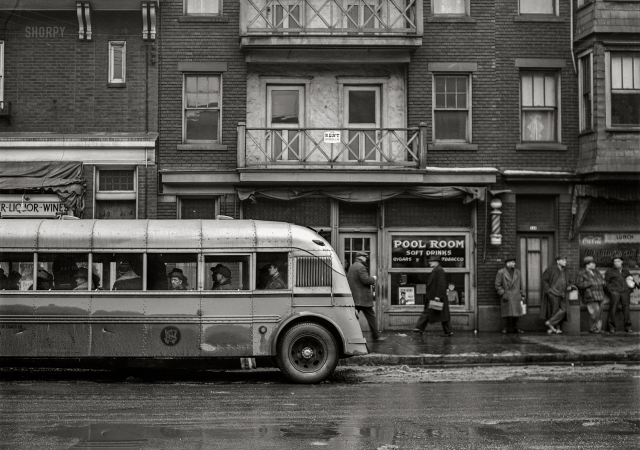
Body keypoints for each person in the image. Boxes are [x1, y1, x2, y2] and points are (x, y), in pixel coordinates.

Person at [347, 251, 386, 342]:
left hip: (356, 298)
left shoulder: (353, 267)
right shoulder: (361, 267)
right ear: (360, 257)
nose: (366, 258)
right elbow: (366, 280)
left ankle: (348, 335)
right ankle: (376, 336)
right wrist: (373, 279)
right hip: (363, 298)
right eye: (365, 257)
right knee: (371, 317)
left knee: (352, 317)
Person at [413, 255, 453, 337]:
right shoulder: (436, 270)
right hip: (434, 297)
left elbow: (441, 284)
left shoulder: (439, 270)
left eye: (431, 261)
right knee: (441, 315)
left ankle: (419, 327)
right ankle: (448, 331)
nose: (429, 262)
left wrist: (438, 296)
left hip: (436, 297)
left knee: (430, 313)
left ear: (436, 262)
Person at [540, 255, 575, 334]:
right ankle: (557, 328)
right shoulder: (550, 270)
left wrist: (569, 286)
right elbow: (544, 281)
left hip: (563, 294)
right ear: (558, 261)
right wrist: (549, 291)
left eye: (565, 260)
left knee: (564, 310)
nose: (565, 262)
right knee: (554, 311)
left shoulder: (566, 271)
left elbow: (570, 281)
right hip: (553, 293)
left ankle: (550, 322)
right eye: (563, 260)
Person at [494, 256, 525, 334]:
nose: (514, 263)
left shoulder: (518, 272)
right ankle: (505, 328)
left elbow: (521, 284)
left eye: (514, 262)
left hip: (516, 295)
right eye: (512, 262)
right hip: (506, 295)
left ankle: (516, 328)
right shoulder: (501, 272)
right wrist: (503, 293)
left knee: (517, 314)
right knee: (506, 313)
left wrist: (522, 295)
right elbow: (497, 285)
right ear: (508, 263)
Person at [604, 256, 635, 333]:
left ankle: (628, 327)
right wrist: (611, 292)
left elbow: (631, 281)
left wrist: (629, 290)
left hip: (625, 292)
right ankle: (611, 327)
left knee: (626, 309)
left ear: (622, 262)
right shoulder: (610, 271)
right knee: (613, 309)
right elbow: (606, 283)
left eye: (618, 261)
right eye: (615, 262)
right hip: (615, 292)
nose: (616, 263)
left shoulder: (626, 271)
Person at [576, 256, 605, 333]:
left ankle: (598, 329)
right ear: (587, 265)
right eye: (592, 263)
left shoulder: (597, 272)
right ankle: (593, 328)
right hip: (590, 296)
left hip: (600, 295)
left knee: (600, 313)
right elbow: (579, 284)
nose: (594, 264)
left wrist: (603, 283)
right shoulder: (582, 273)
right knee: (594, 313)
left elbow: (602, 281)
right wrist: (590, 283)